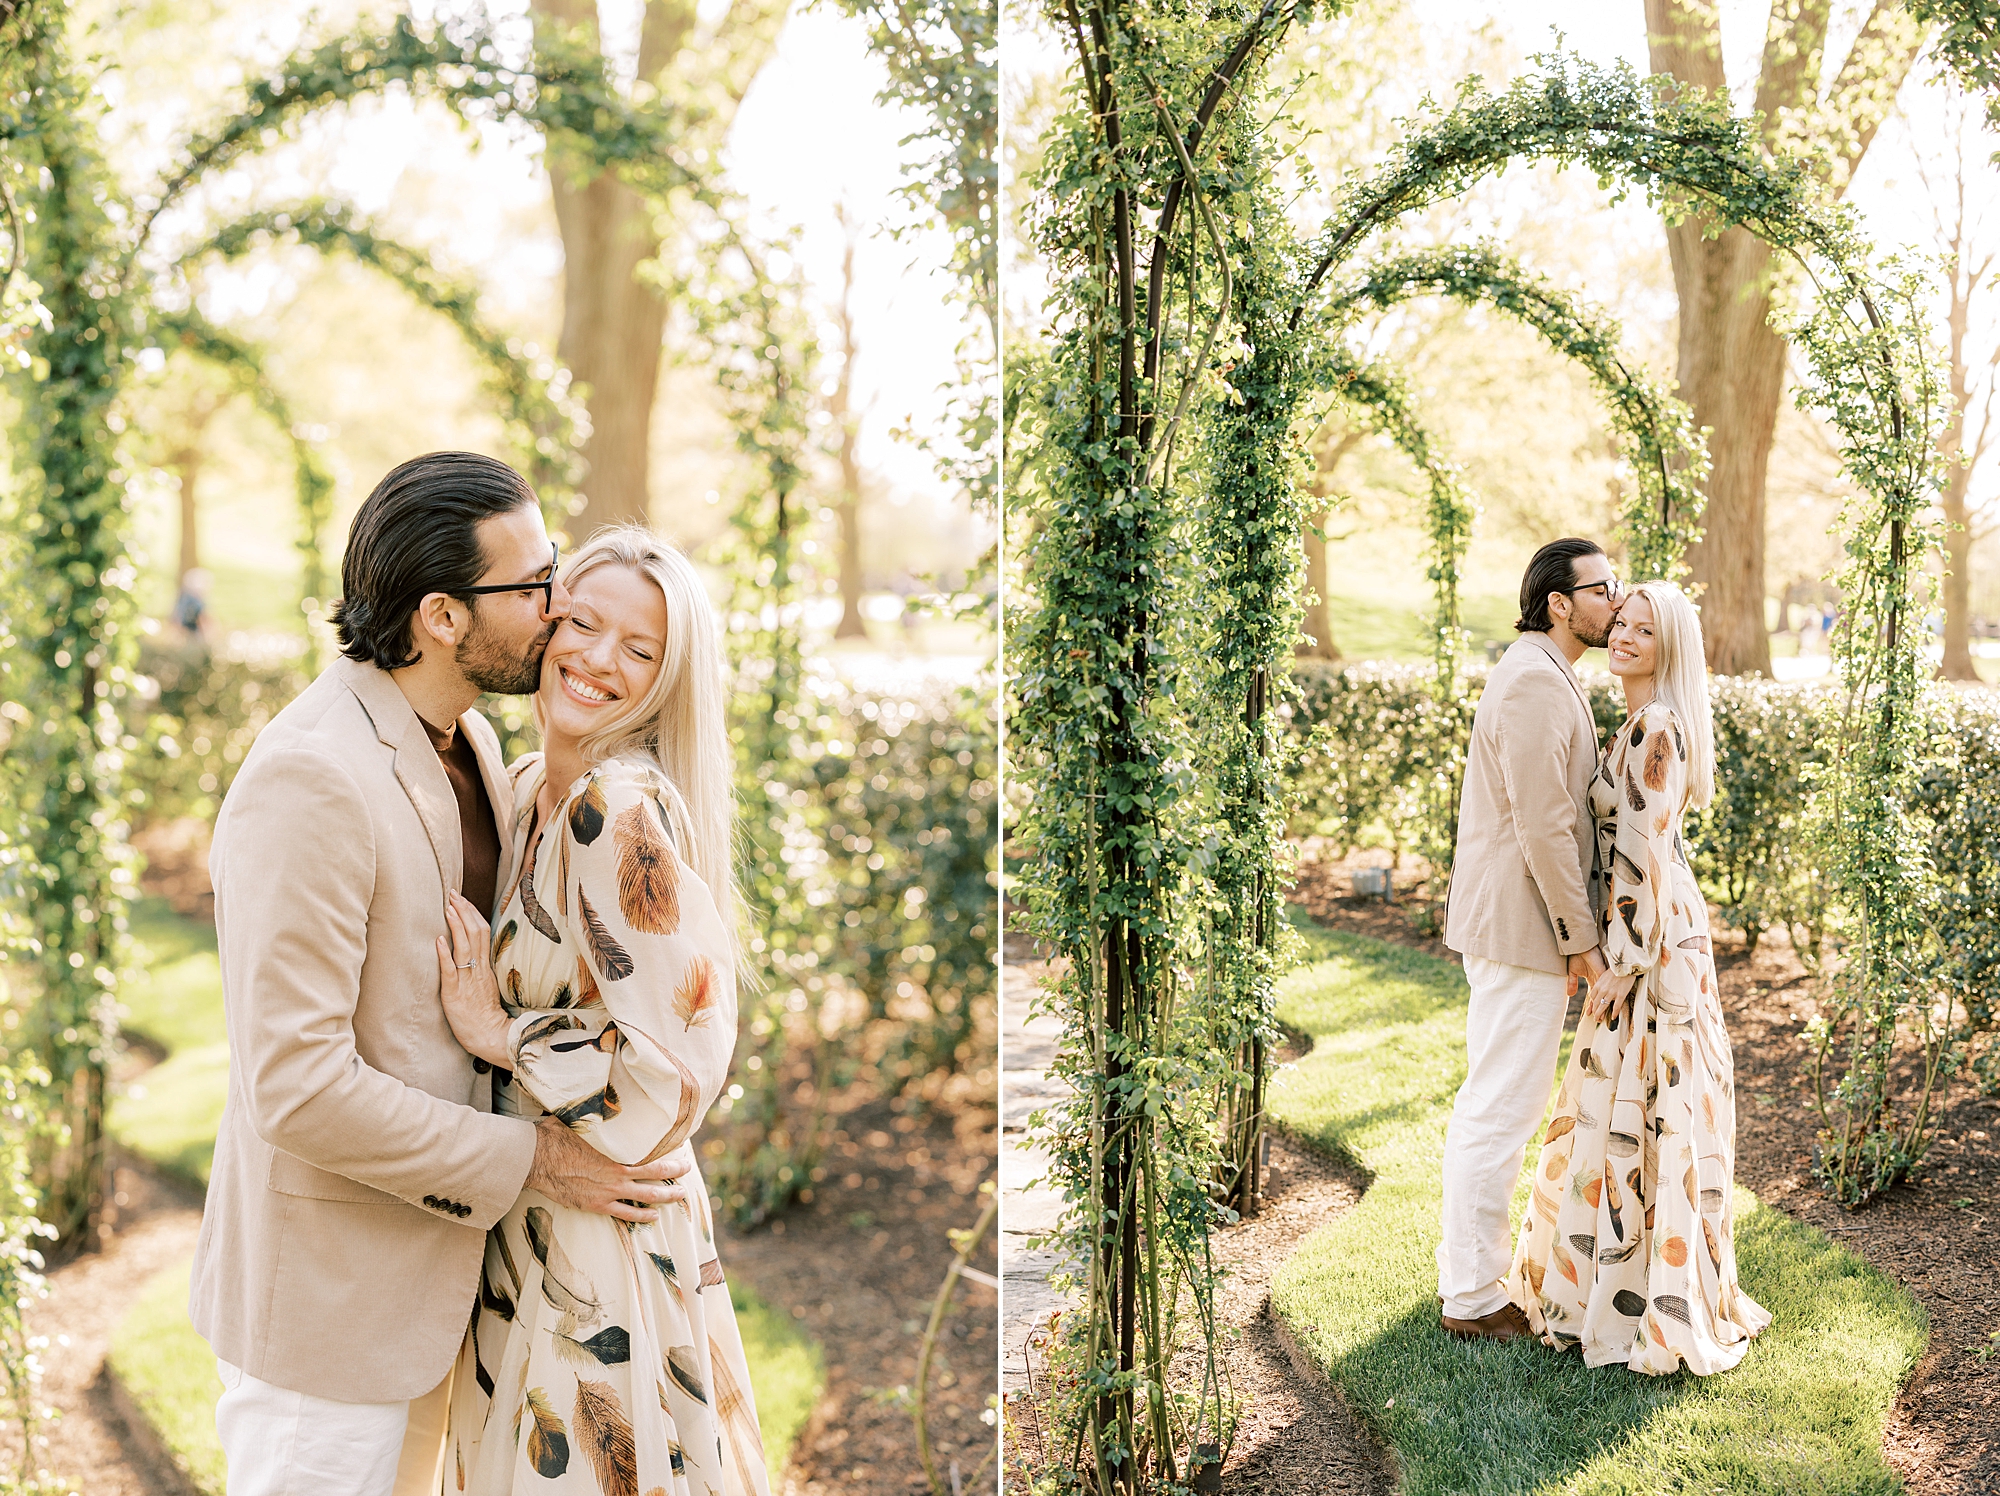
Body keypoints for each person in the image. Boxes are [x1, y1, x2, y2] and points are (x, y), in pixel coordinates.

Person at [191, 454, 693, 1496]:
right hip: (329, 1324)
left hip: (453, 1300)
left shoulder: (469, 734)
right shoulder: (309, 776)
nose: (558, 607)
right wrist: (533, 1159)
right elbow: (296, 1085)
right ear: (441, 614)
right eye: (532, 584)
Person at [432, 525, 769, 1495]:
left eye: (640, 649)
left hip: (599, 1228)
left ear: (667, 677)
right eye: (582, 622)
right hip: (532, 1211)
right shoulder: (533, 785)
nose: (596, 661)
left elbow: (682, 1060)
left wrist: (506, 1033)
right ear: (545, 616)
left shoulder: (614, 808)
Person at [1507, 581, 1771, 1373]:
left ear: (1669, 649)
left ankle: (1649, 1299)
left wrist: (1620, 963)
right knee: (1633, 1106)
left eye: (1643, 630)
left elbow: (1645, 858)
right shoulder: (1640, 722)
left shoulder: (1657, 724)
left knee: (1653, 1107)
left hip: (1655, 943)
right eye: (1620, 622)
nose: (1622, 636)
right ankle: (1625, 1282)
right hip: (1652, 934)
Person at [1437, 537, 1618, 1341]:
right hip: (1522, 928)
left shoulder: (1545, 676)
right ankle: (1472, 1296)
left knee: (1498, 1104)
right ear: (1560, 603)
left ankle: (1471, 1277)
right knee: (1499, 1110)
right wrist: (1580, 939)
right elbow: (1545, 827)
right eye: (1602, 588)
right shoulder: (1534, 685)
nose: (1614, 600)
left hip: (1520, 924)